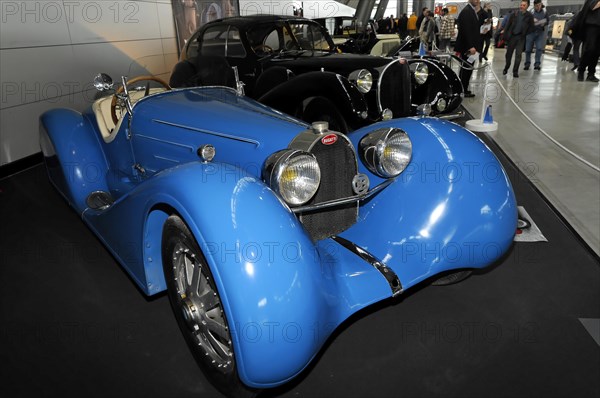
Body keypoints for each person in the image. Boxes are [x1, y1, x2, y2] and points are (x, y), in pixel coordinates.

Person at [454, 0, 485, 97]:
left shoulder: (471, 11)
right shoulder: (467, 11)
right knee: (466, 69)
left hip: (472, 47)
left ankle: (463, 89)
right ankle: (462, 90)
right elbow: (466, 31)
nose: (477, 0)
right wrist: (470, 46)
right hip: (469, 48)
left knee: (468, 68)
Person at [502, 0, 534, 78]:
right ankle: (507, 66)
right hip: (512, 37)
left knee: (518, 55)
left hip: (521, 38)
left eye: (524, 5)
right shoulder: (514, 14)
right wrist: (505, 36)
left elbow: (532, 27)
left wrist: (525, 32)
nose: (521, 6)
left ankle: (515, 71)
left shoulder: (529, 16)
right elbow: (508, 25)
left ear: (527, 6)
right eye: (521, 5)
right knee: (508, 54)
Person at [572, 0, 600, 82]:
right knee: (589, 49)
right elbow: (592, 7)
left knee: (597, 52)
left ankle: (591, 74)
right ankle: (581, 70)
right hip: (591, 26)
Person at [524, 0, 548, 71]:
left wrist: (544, 23)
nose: (538, 7)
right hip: (530, 33)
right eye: (537, 6)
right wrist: (532, 20)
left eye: (539, 5)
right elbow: (526, 21)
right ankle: (527, 64)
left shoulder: (544, 11)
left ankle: (537, 64)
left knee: (539, 48)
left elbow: (547, 20)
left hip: (540, 33)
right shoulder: (531, 11)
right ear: (534, 5)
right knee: (528, 49)